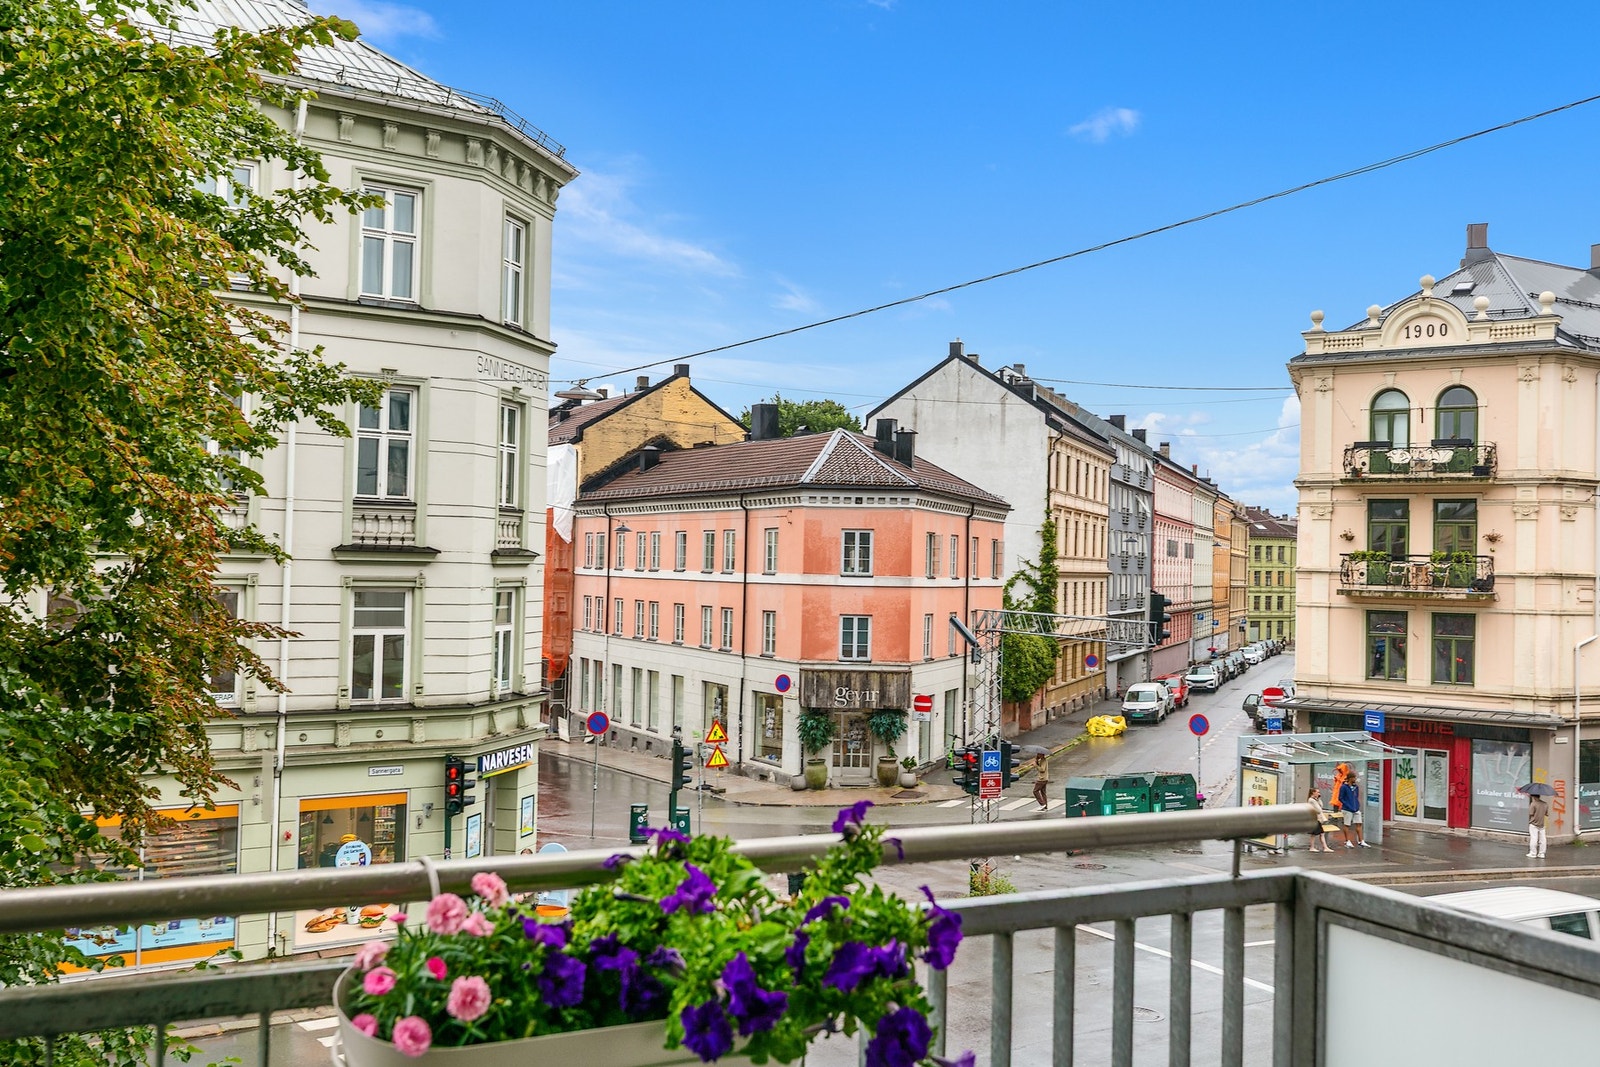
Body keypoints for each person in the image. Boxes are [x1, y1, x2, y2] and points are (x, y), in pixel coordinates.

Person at [1336, 768, 1370, 848]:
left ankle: (1361, 841)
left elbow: (1356, 796)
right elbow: (1340, 798)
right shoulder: (1344, 787)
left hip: (1356, 808)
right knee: (1347, 824)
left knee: (1359, 824)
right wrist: (1348, 805)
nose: (1355, 779)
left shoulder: (1356, 787)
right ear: (1350, 778)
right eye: (1354, 778)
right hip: (1347, 809)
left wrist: (1357, 805)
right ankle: (1347, 841)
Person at [1306, 786, 1335, 853]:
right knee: (1316, 834)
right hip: (1315, 819)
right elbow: (1319, 810)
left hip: (1316, 819)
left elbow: (1321, 805)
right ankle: (1315, 847)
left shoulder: (1315, 800)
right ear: (1313, 793)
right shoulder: (1311, 800)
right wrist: (1317, 801)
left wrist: (1318, 799)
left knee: (1319, 833)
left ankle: (1323, 847)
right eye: (1318, 792)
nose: (1319, 793)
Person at [1528, 792, 1550, 858]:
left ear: (1533, 797)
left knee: (1534, 839)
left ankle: (1533, 853)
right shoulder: (1545, 804)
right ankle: (1542, 853)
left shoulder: (1533, 804)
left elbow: (1531, 813)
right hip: (1542, 824)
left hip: (1533, 823)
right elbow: (1547, 814)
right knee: (1543, 839)